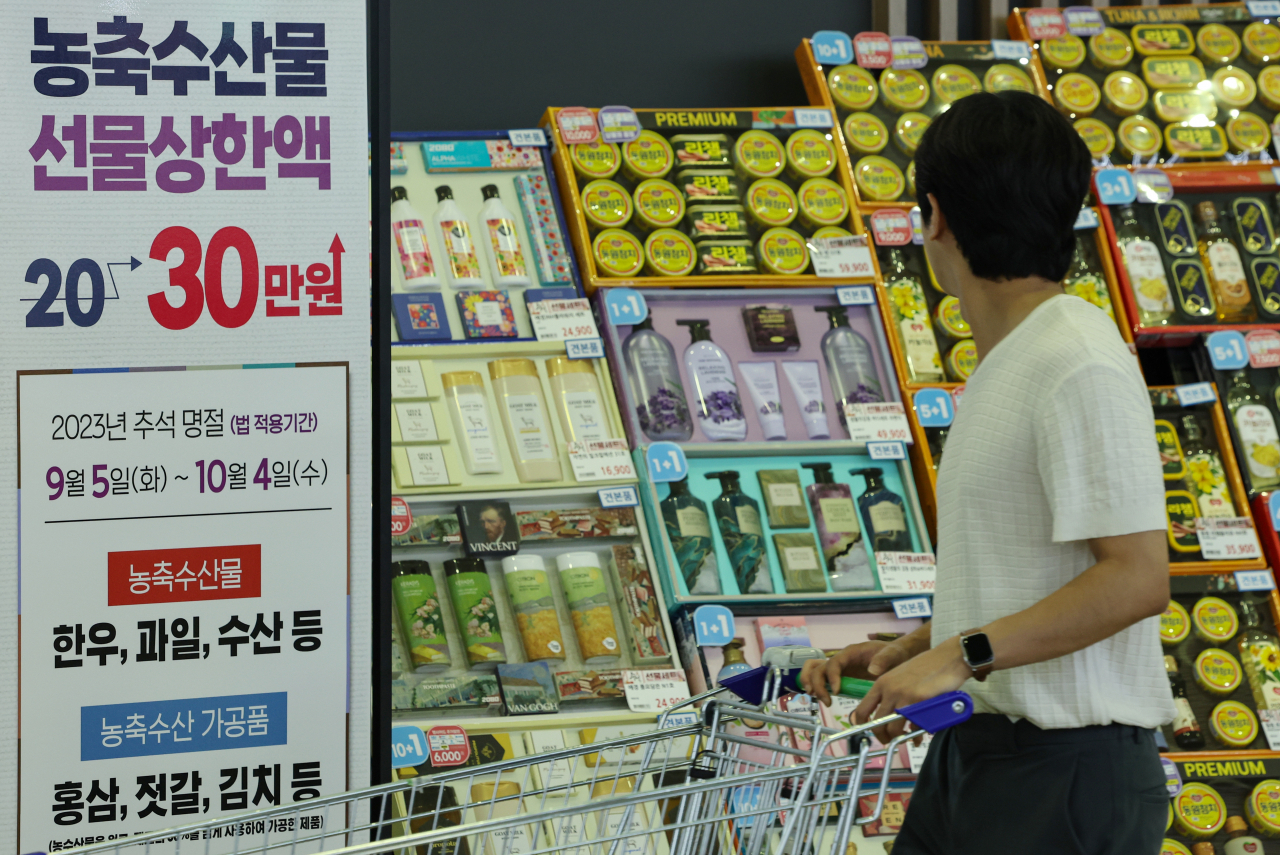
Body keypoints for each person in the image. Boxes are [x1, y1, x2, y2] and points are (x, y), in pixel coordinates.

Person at [801, 91, 1174, 854]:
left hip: (1065, 770)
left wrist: (959, 653)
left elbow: (1137, 577)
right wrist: (911, 647)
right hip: (982, 752)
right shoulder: (1018, 357)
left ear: (933, 215)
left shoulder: (1077, 359)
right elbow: (1031, 578)